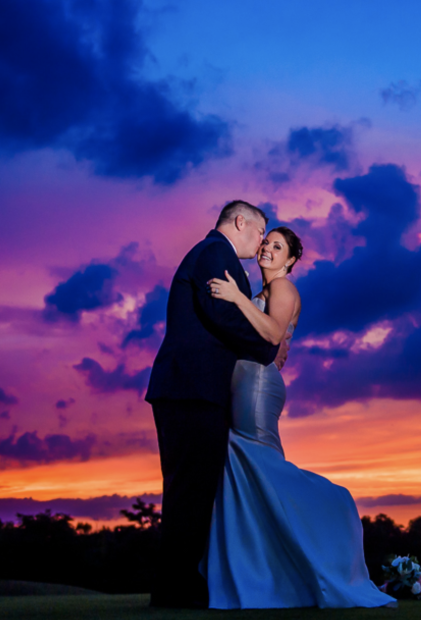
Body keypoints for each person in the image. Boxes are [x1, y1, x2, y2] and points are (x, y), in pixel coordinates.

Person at [205, 227, 397, 609]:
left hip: (258, 385)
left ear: (291, 260)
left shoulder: (283, 288)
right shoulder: (264, 291)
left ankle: (333, 509)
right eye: (266, 243)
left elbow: (273, 333)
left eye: (278, 246)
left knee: (256, 463)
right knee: (248, 472)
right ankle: (264, 569)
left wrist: (236, 299)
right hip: (246, 382)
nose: (268, 249)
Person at [144, 200, 280, 609]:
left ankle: (178, 584)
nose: (260, 243)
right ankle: (177, 589)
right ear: (240, 221)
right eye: (259, 232)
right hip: (191, 389)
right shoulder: (215, 253)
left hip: (190, 388)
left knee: (193, 488)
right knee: (191, 489)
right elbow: (224, 316)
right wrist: (267, 346)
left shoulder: (210, 253)